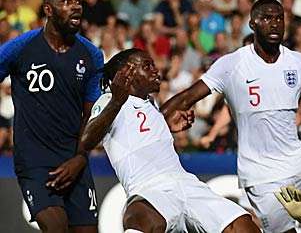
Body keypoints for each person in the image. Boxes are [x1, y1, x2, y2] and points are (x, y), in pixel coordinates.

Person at [161, 0, 301, 233]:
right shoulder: (232, 64)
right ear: (253, 24)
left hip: (300, 165)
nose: (275, 23)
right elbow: (185, 98)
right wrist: (158, 121)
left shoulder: (298, 63)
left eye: (279, 18)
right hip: (261, 175)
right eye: (267, 18)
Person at [79, 48, 261, 233]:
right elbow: (86, 141)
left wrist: (165, 125)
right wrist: (116, 101)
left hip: (186, 183)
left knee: (243, 226)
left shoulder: (150, 102)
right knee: (140, 218)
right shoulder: (108, 100)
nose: (155, 70)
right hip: (150, 189)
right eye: (147, 65)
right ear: (128, 72)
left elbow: (142, 130)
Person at [0, 0, 103, 232]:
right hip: (34, 160)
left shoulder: (91, 55)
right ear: (48, 9)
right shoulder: (21, 47)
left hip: (75, 158)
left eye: (78, 1)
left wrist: (80, 157)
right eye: (67, 2)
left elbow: (92, 114)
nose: (76, 6)